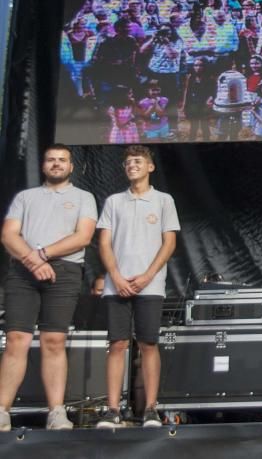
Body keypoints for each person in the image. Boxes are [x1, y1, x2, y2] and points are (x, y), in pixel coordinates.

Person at [0, 145, 98, 432]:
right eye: (51, 160)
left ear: (71, 167)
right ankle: (2, 410)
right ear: (43, 166)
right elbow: (8, 235)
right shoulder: (25, 197)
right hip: (22, 271)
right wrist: (33, 261)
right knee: (16, 339)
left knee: (53, 341)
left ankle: (56, 412)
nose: (56, 164)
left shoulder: (84, 197)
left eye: (62, 161)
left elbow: (83, 237)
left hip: (64, 271)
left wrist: (41, 255)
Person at [94, 145, 179, 429]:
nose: (132, 165)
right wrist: (116, 277)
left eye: (138, 161)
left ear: (150, 167)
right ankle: (111, 409)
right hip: (116, 285)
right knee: (117, 343)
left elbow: (169, 243)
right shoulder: (113, 201)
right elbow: (104, 243)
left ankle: (151, 409)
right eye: (128, 162)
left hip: (150, 284)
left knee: (148, 344)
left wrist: (146, 276)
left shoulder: (164, 200)